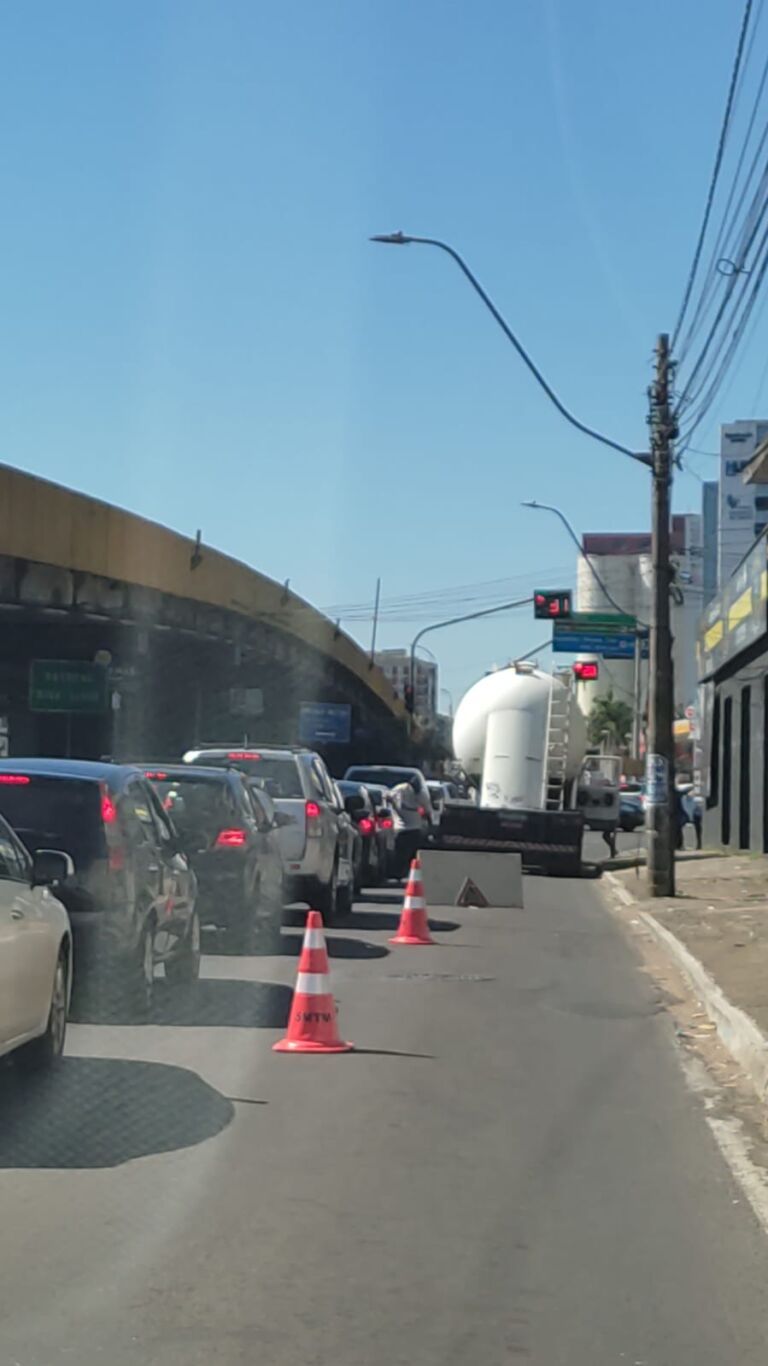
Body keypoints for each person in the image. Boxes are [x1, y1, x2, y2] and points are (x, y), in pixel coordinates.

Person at [390, 774, 424, 877]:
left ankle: (406, 873)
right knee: (403, 854)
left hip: (410, 829)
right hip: (404, 828)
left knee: (409, 855)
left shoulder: (421, 793)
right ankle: (400, 873)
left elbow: (426, 808)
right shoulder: (401, 789)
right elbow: (389, 797)